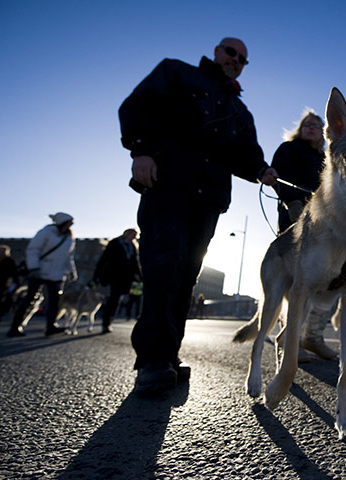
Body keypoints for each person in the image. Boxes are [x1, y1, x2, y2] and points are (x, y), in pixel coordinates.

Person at [118, 37, 278, 395]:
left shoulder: (240, 111)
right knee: (163, 266)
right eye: (231, 52)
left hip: (210, 200)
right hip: (168, 185)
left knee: (186, 277)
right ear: (217, 51)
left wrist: (262, 171)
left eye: (242, 59)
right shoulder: (177, 73)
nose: (235, 60)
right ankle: (152, 361)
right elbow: (136, 106)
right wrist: (141, 152)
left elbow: (247, 156)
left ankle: (169, 357)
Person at [271, 110, 336, 361]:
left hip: (326, 223)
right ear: (300, 128)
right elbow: (278, 176)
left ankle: (314, 336)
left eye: (317, 125)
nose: (311, 127)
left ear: (324, 132)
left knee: (330, 278)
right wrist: (292, 203)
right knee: (297, 280)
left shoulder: (326, 157)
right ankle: (289, 341)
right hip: (295, 216)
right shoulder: (290, 149)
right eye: (307, 124)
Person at [7, 213, 77, 337]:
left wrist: (72, 271)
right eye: (70, 221)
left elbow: (68, 256)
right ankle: (15, 326)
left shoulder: (69, 237)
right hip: (40, 270)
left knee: (54, 301)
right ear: (63, 222)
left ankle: (51, 326)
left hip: (57, 273)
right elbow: (33, 250)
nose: (72, 224)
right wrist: (34, 268)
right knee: (30, 298)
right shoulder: (46, 232)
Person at [92, 228, 142, 333]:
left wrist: (140, 276)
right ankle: (106, 322)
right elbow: (104, 259)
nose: (134, 237)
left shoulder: (133, 247)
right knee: (113, 298)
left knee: (116, 299)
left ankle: (109, 320)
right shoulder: (114, 243)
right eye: (133, 234)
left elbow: (135, 263)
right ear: (126, 234)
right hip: (113, 275)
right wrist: (97, 275)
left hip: (125, 277)